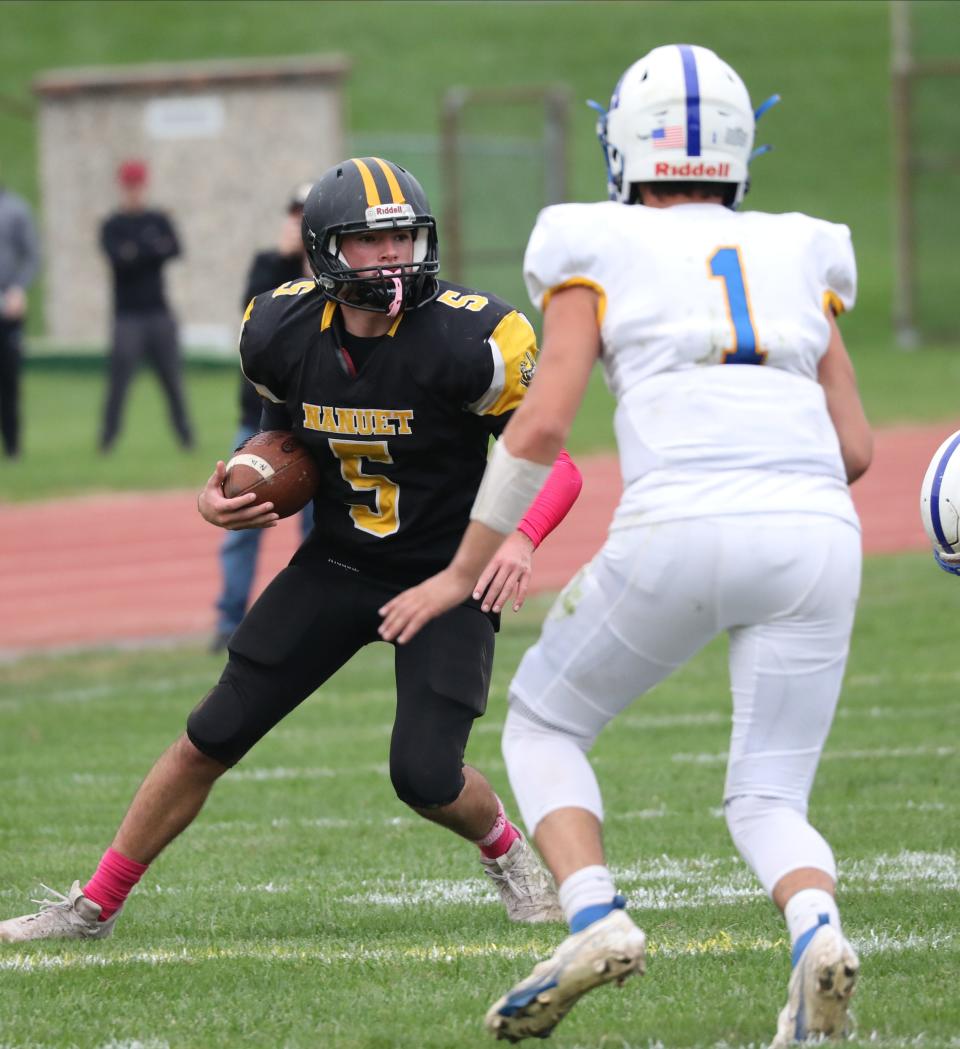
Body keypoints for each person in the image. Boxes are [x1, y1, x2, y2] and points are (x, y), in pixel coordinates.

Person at [379, 45, 872, 1045]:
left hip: (680, 517)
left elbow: (542, 422)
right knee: (768, 791)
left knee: (543, 724)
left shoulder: (586, 238)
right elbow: (856, 446)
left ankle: (596, 917)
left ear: (624, 147)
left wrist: (461, 570)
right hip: (821, 527)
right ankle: (817, 931)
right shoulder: (800, 247)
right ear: (740, 149)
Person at [0, 156, 585, 945]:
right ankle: (93, 906)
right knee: (212, 731)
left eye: (406, 238)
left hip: (448, 572)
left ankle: (506, 850)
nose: (395, 258)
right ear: (324, 253)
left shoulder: (471, 337)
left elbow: (557, 461)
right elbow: (283, 438)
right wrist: (230, 486)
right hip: (340, 561)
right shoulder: (276, 329)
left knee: (424, 775)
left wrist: (518, 535)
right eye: (373, 244)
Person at [211, 182, 315, 652]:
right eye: (293, 212)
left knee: (319, 528)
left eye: (307, 214)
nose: (299, 221)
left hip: (319, 423)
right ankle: (229, 619)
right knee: (241, 512)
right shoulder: (268, 265)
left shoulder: (351, 275)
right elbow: (253, 318)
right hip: (260, 421)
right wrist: (282, 256)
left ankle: (317, 621)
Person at [99, 158, 193, 453]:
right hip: (127, 316)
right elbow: (120, 259)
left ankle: (186, 439)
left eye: (138, 186)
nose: (134, 192)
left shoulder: (157, 219)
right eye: (129, 187)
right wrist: (151, 249)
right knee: (118, 383)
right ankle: (107, 440)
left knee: (173, 381)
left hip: (158, 313)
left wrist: (137, 252)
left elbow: (174, 248)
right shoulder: (112, 225)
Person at [0, 174, 40, 459]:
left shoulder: (15, 209)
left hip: (7, 303)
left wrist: (18, 289)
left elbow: (32, 255)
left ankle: (13, 448)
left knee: (8, 381)